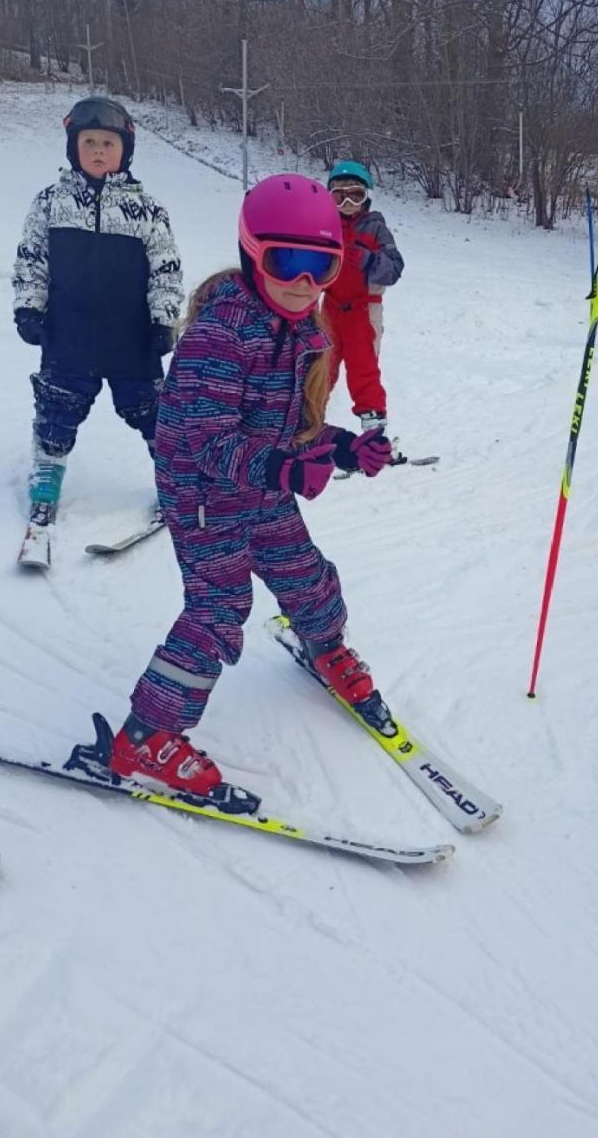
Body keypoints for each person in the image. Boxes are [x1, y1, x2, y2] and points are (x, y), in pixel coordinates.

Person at [109, 174, 394, 798]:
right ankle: (145, 738)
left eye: (322, 267)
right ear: (250, 253)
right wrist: (281, 470)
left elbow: (289, 426)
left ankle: (326, 646)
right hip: (205, 498)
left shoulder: (305, 333)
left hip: (262, 489)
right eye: (286, 261)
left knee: (306, 573)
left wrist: (343, 445)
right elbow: (200, 437)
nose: (303, 282)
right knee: (220, 608)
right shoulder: (222, 334)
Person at [12, 96, 183, 527]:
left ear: (124, 149)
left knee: (155, 416)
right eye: (88, 142)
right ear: (74, 147)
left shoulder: (147, 209)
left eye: (108, 143)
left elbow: (166, 268)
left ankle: (174, 482)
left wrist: (163, 320)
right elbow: (32, 258)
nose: (98, 151)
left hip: (132, 337)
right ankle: (47, 477)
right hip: (68, 334)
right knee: (57, 409)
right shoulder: (50, 203)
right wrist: (29, 309)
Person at [320, 160, 404, 440]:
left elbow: (395, 268)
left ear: (366, 197)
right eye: (338, 195)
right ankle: (306, 426)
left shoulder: (376, 227)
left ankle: (374, 434)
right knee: (318, 366)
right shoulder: (325, 226)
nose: (347, 202)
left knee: (363, 370)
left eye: (355, 195)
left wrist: (369, 260)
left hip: (363, 310)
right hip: (329, 308)